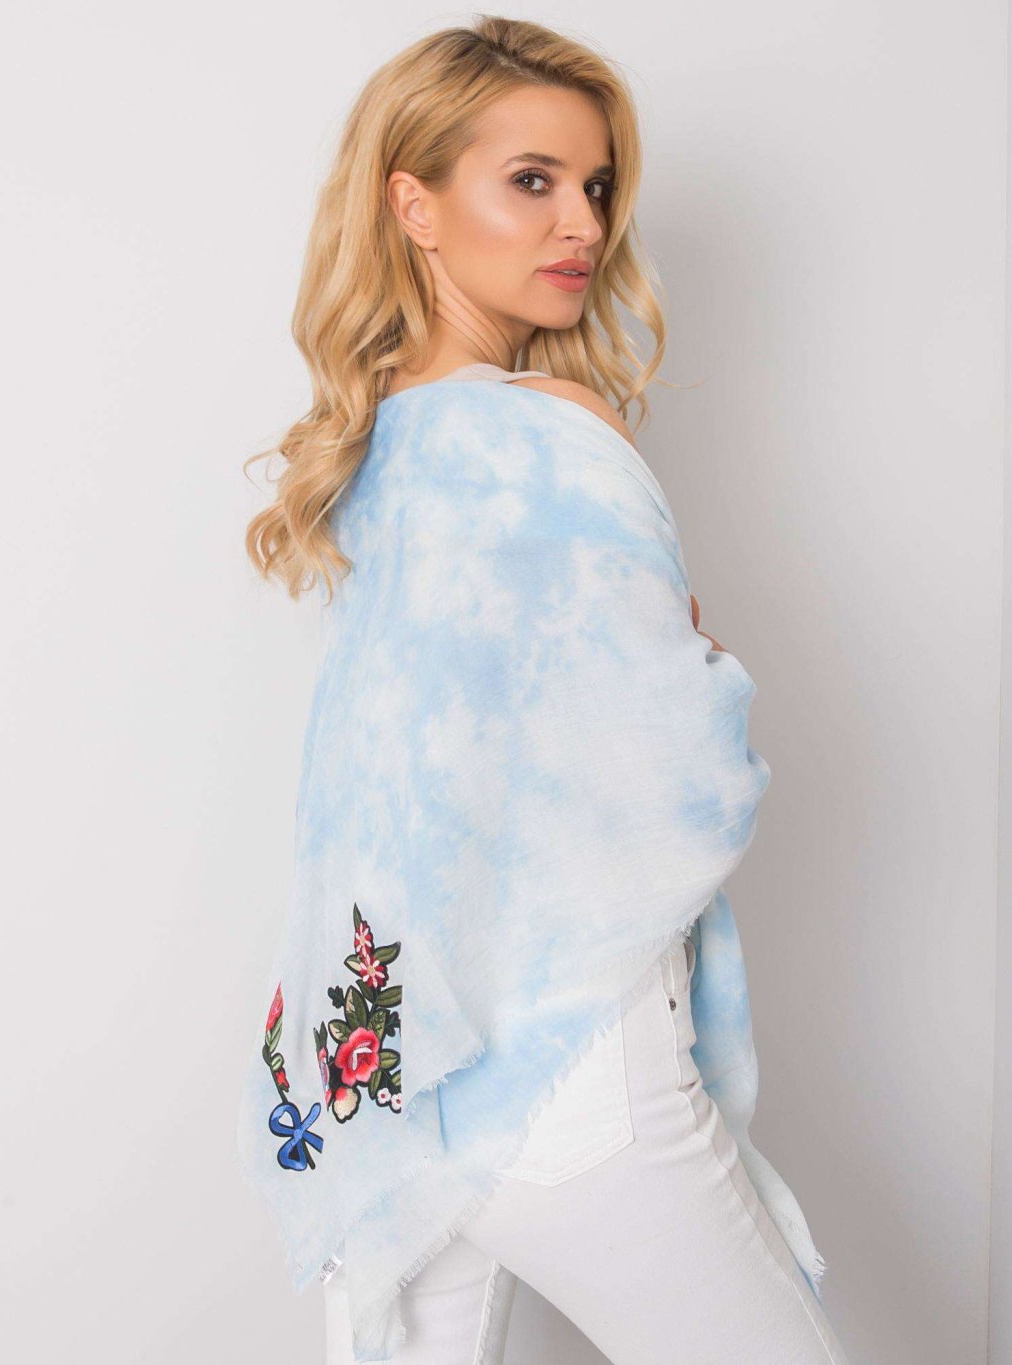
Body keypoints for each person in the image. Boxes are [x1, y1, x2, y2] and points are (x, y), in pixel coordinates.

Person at [235, 17, 851, 1364]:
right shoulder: (551, 432)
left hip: (399, 1078)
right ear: (415, 204)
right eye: (533, 180)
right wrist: (703, 660)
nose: (582, 222)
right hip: (573, 1069)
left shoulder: (374, 456)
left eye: (596, 185)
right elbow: (681, 752)